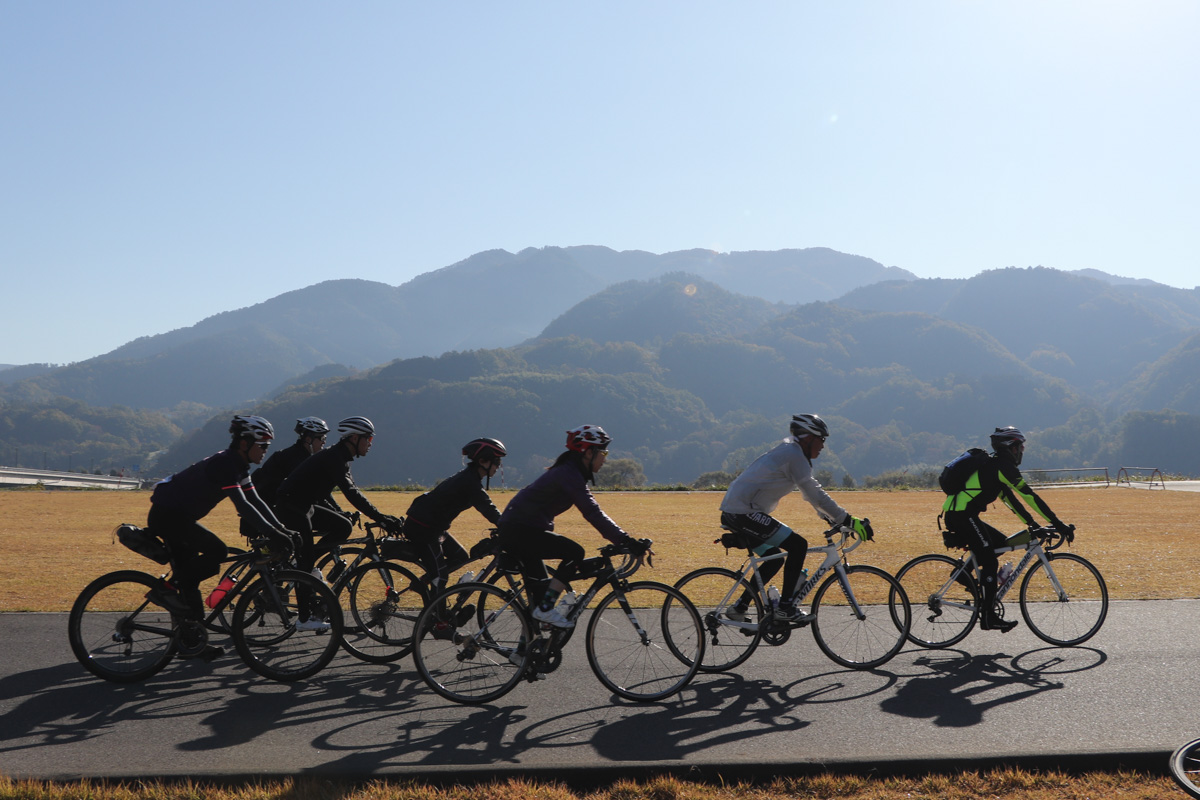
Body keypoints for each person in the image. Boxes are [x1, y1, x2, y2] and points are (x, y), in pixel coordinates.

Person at [144, 415, 296, 651]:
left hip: (176, 517)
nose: (266, 450)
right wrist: (275, 534)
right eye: (262, 445)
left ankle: (191, 642)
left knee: (191, 577)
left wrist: (281, 529)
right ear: (245, 444)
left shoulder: (238, 464)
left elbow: (255, 500)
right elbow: (243, 506)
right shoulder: (226, 464)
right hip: (168, 517)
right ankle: (166, 590)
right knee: (217, 551)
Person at [718, 413, 873, 624]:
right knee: (798, 545)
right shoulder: (794, 456)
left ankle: (740, 607)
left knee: (774, 559)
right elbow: (815, 494)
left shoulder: (791, 452)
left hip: (739, 511)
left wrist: (831, 519)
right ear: (808, 438)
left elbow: (810, 495)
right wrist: (847, 519)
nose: (823, 446)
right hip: (743, 512)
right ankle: (785, 607)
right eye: (822, 439)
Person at [496, 424, 648, 628]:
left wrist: (624, 539)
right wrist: (625, 540)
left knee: (540, 601)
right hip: (520, 530)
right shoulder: (568, 474)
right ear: (587, 452)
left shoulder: (570, 471)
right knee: (574, 552)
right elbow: (592, 512)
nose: (605, 457)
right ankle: (546, 610)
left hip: (521, 529)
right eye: (603, 451)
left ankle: (525, 652)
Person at [941, 425, 1073, 633]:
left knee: (1001, 543)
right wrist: (1058, 524)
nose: (1022, 451)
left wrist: (1033, 525)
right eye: (1020, 447)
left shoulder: (995, 468)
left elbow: (1010, 500)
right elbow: (1030, 496)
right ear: (1012, 447)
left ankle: (964, 574)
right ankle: (988, 617)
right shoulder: (1002, 467)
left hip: (962, 515)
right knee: (990, 560)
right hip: (962, 516)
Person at [274, 415, 401, 628]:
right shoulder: (335, 457)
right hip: (291, 506)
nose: (370, 444)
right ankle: (305, 618)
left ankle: (306, 558)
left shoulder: (340, 457)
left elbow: (335, 492)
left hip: (306, 505)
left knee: (343, 526)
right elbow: (351, 492)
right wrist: (381, 518)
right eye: (368, 439)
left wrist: (344, 513)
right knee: (306, 561)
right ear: (353, 438)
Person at [402, 437, 506, 590]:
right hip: (423, 529)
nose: (498, 466)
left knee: (460, 558)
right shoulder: (469, 482)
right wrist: (507, 524)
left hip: (434, 528)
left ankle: (424, 582)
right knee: (441, 577)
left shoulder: (470, 478)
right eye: (496, 462)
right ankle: (435, 613)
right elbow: (487, 507)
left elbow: (487, 506)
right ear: (483, 461)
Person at [240, 417, 343, 539]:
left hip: (279, 508)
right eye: (321, 438)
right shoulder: (296, 460)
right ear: (308, 439)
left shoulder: (303, 457)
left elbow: (320, 492)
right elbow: (313, 491)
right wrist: (337, 512)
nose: (324, 442)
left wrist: (337, 510)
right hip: (273, 509)